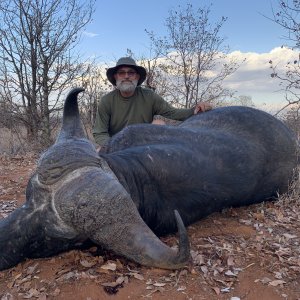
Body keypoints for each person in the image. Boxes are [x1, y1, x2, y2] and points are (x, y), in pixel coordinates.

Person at [92, 57, 212, 151]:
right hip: (116, 147)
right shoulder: (106, 101)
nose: (126, 76)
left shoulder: (149, 95)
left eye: (131, 72)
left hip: (143, 146)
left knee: (159, 124)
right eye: (122, 73)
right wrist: (112, 146)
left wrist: (195, 110)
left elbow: (173, 113)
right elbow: (100, 132)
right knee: (97, 154)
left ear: (137, 77)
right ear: (115, 76)